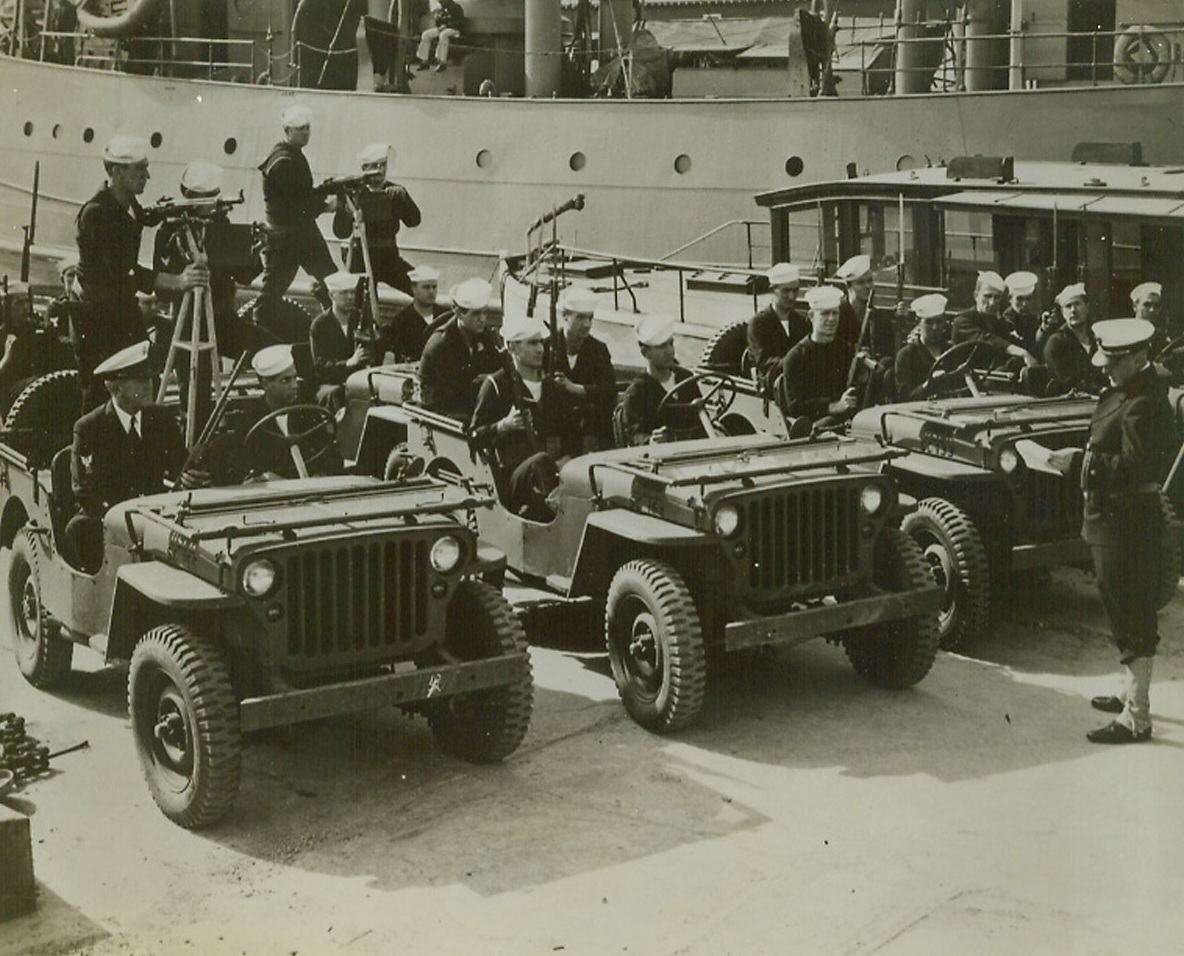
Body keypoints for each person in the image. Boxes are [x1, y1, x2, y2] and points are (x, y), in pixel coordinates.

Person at [1048, 319, 1176, 744]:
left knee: (1131, 612)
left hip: (1127, 523)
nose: (1104, 368)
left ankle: (1137, 717)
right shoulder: (1127, 391)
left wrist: (1079, 463)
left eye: (1113, 361)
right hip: (1111, 520)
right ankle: (1128, 692)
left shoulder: (1143, 402)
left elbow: (1136, 468)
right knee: (1119, 602)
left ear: (1138, 358)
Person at [75, 135, 209, 412]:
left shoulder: (128, 205)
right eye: (139, 169)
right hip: (98, 317)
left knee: (144, 376)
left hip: (122, 310)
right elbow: (125, 271)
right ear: (115, 172)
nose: (147, 175)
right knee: (102, 390)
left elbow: (141, 219)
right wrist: (178, 281)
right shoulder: (96, 214)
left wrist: (169, 211)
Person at [66, 341, 205, 572]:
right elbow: (85, 491)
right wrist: (127, 519)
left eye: (150, 378)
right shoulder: (89, 428)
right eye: (140, 380)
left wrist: (188, 479)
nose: (150, 385)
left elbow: (180, 467)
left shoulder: (160, 418)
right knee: (80, 528)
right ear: (115, 388)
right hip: (112, 516)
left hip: (156, 513)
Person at [470, 313, 585, 520]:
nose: (540, 349)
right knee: (541, 461)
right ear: (512, 347)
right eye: (532, 343)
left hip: (556, 474)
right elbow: (474, 436)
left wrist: (566, 460)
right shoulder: (497, 386)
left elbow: (574, 436)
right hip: (513, 480)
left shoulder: (554, 390)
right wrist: (503, 426)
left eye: (540, 342)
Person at [257, 105, 338, 313]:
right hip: (285, 239)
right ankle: (256, 329)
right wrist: (326, 206)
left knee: (333, 281)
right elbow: (297, 204)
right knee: (270, 296)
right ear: (287, 131)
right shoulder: (282, 161)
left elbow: (302, 194)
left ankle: (329, 313)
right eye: (300, 129)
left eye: (308, 128)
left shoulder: (292, 154)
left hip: (300, 233)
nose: (305, 133)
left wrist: (324, 189)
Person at [234, 344, 345, 481]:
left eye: (294, 377)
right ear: (265, 384)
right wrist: (266, 478)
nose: (294, 385)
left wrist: (321, 475)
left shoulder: (308, 413)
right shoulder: (251, 420)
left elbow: (332, 456)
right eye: (285, 381)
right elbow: (243, 466)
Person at [331, 143, 422, 296]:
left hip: (388, 258)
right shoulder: (353, 193)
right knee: (363, 308)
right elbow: (340, 232)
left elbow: (414, 221)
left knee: (421, 289)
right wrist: (347, 212)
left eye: (383, 165)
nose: (379, 170)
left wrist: (402, 200)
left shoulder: (395, 192)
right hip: (360, 259)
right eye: (374, 166)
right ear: (364, 169)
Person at [418, 277, 503, 419]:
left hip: (471, 404)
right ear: (457, 312)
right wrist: (488, 381)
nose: (482, 319)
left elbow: (497, 365)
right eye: (476, 313)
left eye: (484, 312)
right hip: (443, 412)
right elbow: (455, 393)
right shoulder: (441, 344)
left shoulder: (483, 334)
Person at [777, 285, 858, 431]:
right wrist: (831, 407)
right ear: (811, 316)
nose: (832, 319)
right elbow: (794, 407)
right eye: (825, 314)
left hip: (848, 423)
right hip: (814, 428)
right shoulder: (796, 357)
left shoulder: (846, 350)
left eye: (835, 313)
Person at [546, 286, 616, 452]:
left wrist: (576, 389)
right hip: (557, 434)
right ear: (565, 316)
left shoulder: (599, 350)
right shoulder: (546, 348)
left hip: (591, 432)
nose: (587, 324)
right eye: (580, 318)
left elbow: (609, 391)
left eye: (590, 318)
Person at [618, 314, 705, 446]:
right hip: (661, 460)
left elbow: (701, 420)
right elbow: (634, 435)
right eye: (662, 346)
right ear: (644, 352)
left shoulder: (686, 378)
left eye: (671, 344)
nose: (670, 351)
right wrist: (651, 440)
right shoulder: (637, 392)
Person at [951, 270, 1039, 371]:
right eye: (987, 296)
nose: (992, 302)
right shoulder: (963, 320)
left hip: (992, 377)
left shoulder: (997, 321)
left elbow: (1013, 341)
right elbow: (988, 340)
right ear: (976, 296)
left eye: (997, 297)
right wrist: (1023, 353)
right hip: (966, 380)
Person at [746, 262, 809, 393]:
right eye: (786, 291)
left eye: (795, 290)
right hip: (772, 385)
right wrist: (797, 361)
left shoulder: (801, 322)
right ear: (772, 290)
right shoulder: (758, 323)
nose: (792, 296)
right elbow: (764, 362)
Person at [376, 264, 448, 363]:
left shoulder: (445, 316)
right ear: (414, 288)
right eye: (426, 287)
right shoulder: (402, 321)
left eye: (434, 287)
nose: (431, 292)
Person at [1044, 283, 1107, 394]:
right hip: (1070, 404)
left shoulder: (1097, 338)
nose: (1073, 310)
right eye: (1068, 306)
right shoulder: (1056, 342)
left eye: (1077, 304)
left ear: (1087, 307)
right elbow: (1068, 382)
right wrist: (1099, 390)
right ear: (1063, 313)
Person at [893, 293, 951, 401]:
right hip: (918, 413)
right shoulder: (907, 355)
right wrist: (928, 384)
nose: (935, 327)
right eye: (928, 322)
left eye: (939, 321)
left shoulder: (952, 351)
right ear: (918, 322)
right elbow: (904, 397)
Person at [414, 0, 465, 72]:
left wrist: (447, 25)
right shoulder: (442, 9)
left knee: (443, 35)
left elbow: (460, 23)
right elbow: (438, 21)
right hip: (443, 29)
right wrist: (438, 20)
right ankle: (424, 60)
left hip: (455, 30)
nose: (441, 3)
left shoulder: (456, 8)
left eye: (442, 1)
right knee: (426, 34)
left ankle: (442, 62)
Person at [1002, 270, 1043, 357]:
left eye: (1028, 299)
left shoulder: (1032, 318)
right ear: (1010, 299)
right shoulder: (1006, 320)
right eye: (1019, 299)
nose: (1024, 304)